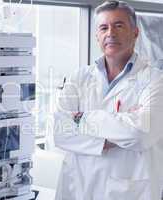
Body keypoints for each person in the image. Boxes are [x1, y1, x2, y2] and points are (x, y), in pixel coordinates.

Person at [53, 1, 163, 200]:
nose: (110, 32)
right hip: (76, 187)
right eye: (104, 27)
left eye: (119, 25)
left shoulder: (155, 80)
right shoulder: (80, 76)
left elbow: (140, 134)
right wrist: (119, 126)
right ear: (97, 35)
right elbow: (59, 132)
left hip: (128, 191)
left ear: (135, 33)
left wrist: (82, 119)